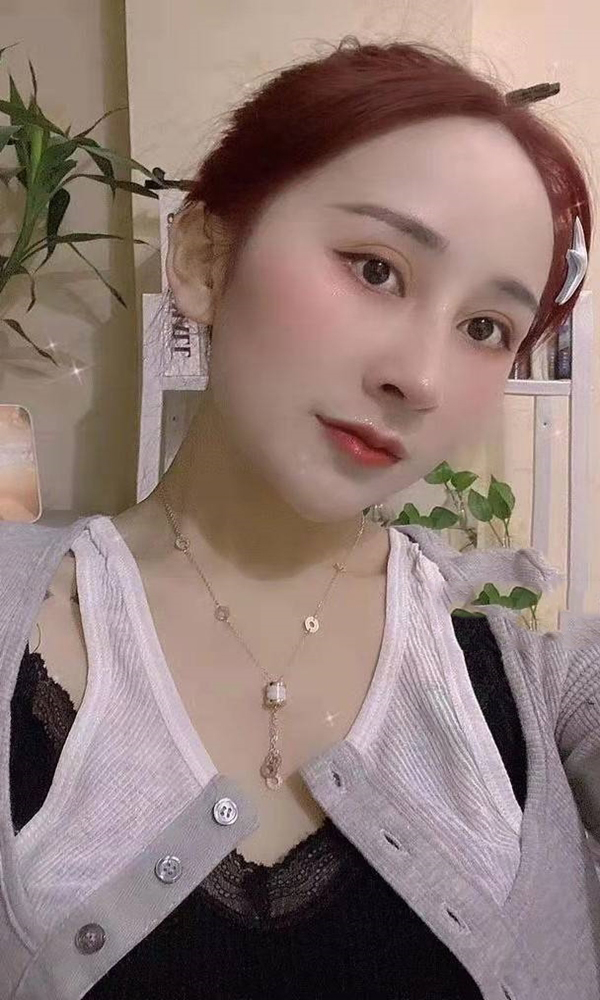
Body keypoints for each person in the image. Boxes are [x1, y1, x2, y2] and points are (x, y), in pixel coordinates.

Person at [0, 35, 597, 1000]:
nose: (421, 378)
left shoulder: (528, 676)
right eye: (376, 269)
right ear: (203, 257)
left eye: (485, 328)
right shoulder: (17, 618)